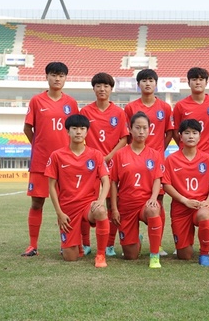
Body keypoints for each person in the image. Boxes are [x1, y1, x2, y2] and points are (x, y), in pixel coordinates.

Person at [21, 62, 79, 257]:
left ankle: (66, 244)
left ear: (65, 78)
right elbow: (28, 129)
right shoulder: (36, 101)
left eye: (61, 75)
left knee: (66, 205)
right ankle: (32, 245)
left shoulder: (71, 103)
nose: (57, 78)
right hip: (41, 162)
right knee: (37, 203)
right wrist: (38, 147)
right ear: (47, 77)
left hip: (66, 163)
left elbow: (76, 131)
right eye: (54, 75)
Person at [44, 114, 111, 268]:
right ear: (67, 131)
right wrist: (59, 213)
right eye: (74, 129)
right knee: (70, 257)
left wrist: (100, 200)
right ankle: (75, 245)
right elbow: (51, 186)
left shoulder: (95, 155)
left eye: (82, 129)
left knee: (100, 211)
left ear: (87, 132)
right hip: (68, 209)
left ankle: (100, 255)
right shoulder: (57, 156)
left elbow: (106, 180)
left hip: (88, 205)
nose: (78, 132)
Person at [124, 69, 173, 256]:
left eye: (151, 80)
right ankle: (132, 237)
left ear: (156, 83)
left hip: (155, 161)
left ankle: (157, 244)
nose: (147, 83)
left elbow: (170, 132)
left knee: (157, 201)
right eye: (143, 80)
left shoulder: (165, 108)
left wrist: (158, 150)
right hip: (134, 161)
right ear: (138, 84)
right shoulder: (130, 108)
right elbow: (126, 134)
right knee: (130, 198)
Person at [80, 72, 129, 257]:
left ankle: (109, 245)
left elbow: (124, 138)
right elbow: (80, 135)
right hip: (89, 165)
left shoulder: (119, 112)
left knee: (111, 203)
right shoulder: (85, 112)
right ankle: (85, 243)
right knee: (85, 202)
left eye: (106, 86)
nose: (102, 89)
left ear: (111, 89)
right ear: (93, 88)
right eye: (99, 86)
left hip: (112, 163)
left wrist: (108, 156)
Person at [162, 119, 209, 267]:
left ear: (200, 136)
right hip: (181, 208)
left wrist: (208, 201)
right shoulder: (171, 160)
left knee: (204, 214)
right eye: (187, 133)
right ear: (180, 136)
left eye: (195, 133)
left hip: (201, 204)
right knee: (184, 256)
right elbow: (166, 184)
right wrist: (184, 200)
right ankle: (187, 243)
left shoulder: (207, 159)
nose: (191, 136)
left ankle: (204, 254)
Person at [110, 112, 165, 268]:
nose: (141, 132)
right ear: (130, 129)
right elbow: (113, 183)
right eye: (137, 128)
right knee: (130, 256)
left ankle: (154, 256)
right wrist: (114, 208)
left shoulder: (154, 154)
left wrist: (154, 198)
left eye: (144, 128)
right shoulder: (120, 155)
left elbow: (157, 179)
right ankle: (136, 239)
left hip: (145, 204)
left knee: (154, 210)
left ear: (149, 130)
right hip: (126, 206)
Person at [172, 67, 209, 158]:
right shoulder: (180, 106)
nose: (198, 82)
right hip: (186, 156)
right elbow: (175, 132)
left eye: (201, 79)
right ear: (188, 83)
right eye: (194, 79)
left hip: (208, 155)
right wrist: (184, 146)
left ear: (206, 82)